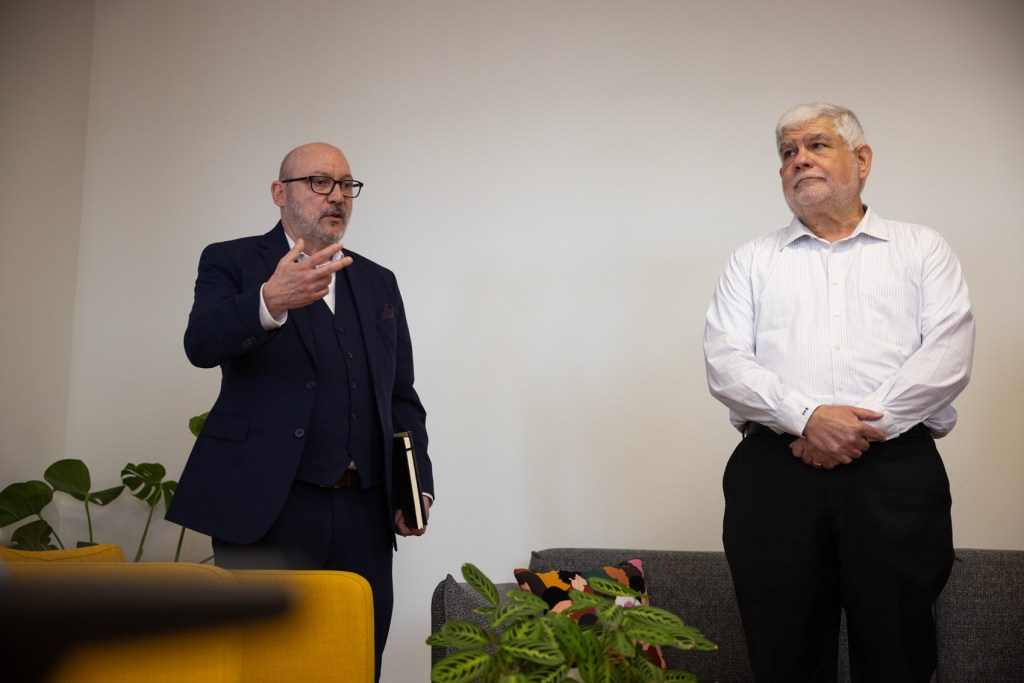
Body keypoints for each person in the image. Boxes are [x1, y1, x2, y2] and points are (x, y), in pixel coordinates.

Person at [703, 103, 974, 682]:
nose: (799, 159)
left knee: (897, 649)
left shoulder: (921, 249)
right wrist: (807, 419)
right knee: (782, 653)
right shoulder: (751, 261)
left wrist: (850, 429)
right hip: (774, 475)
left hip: (894, 474)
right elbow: (725, 363)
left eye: (816, 144)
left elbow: (947, 356)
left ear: (862, 159)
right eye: (787, 152)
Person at [167, 142, 433, 681]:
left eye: (346, 185)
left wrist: (415, 483)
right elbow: (200, 344)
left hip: (365, 510)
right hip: (268, 507)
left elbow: (400, 393)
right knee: (264, 663)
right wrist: (270, 300)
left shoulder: (379, 281)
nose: (336, 196)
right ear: (279, 193)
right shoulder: (233, 260)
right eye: (319, 182)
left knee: (354, 659)